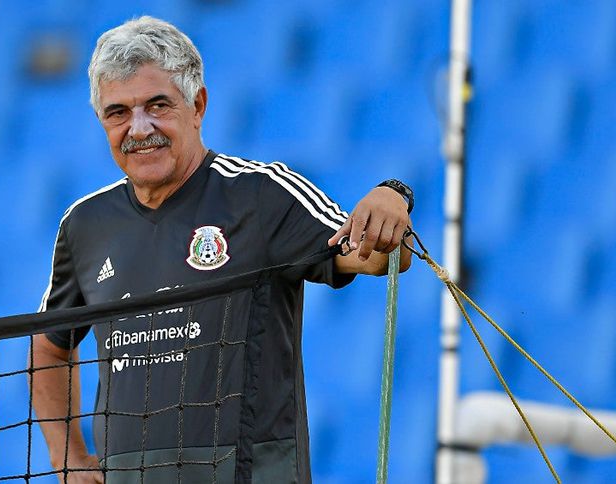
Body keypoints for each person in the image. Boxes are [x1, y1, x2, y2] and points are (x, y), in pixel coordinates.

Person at [30, 16, 413, 484]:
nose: (139, 127)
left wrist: (391, 198)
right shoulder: (84, 224)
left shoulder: (262, 194)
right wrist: (67, 458)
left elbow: (377, 256)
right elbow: (49, 347)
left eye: (158, 105)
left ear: (198, 105)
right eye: (118, 113)